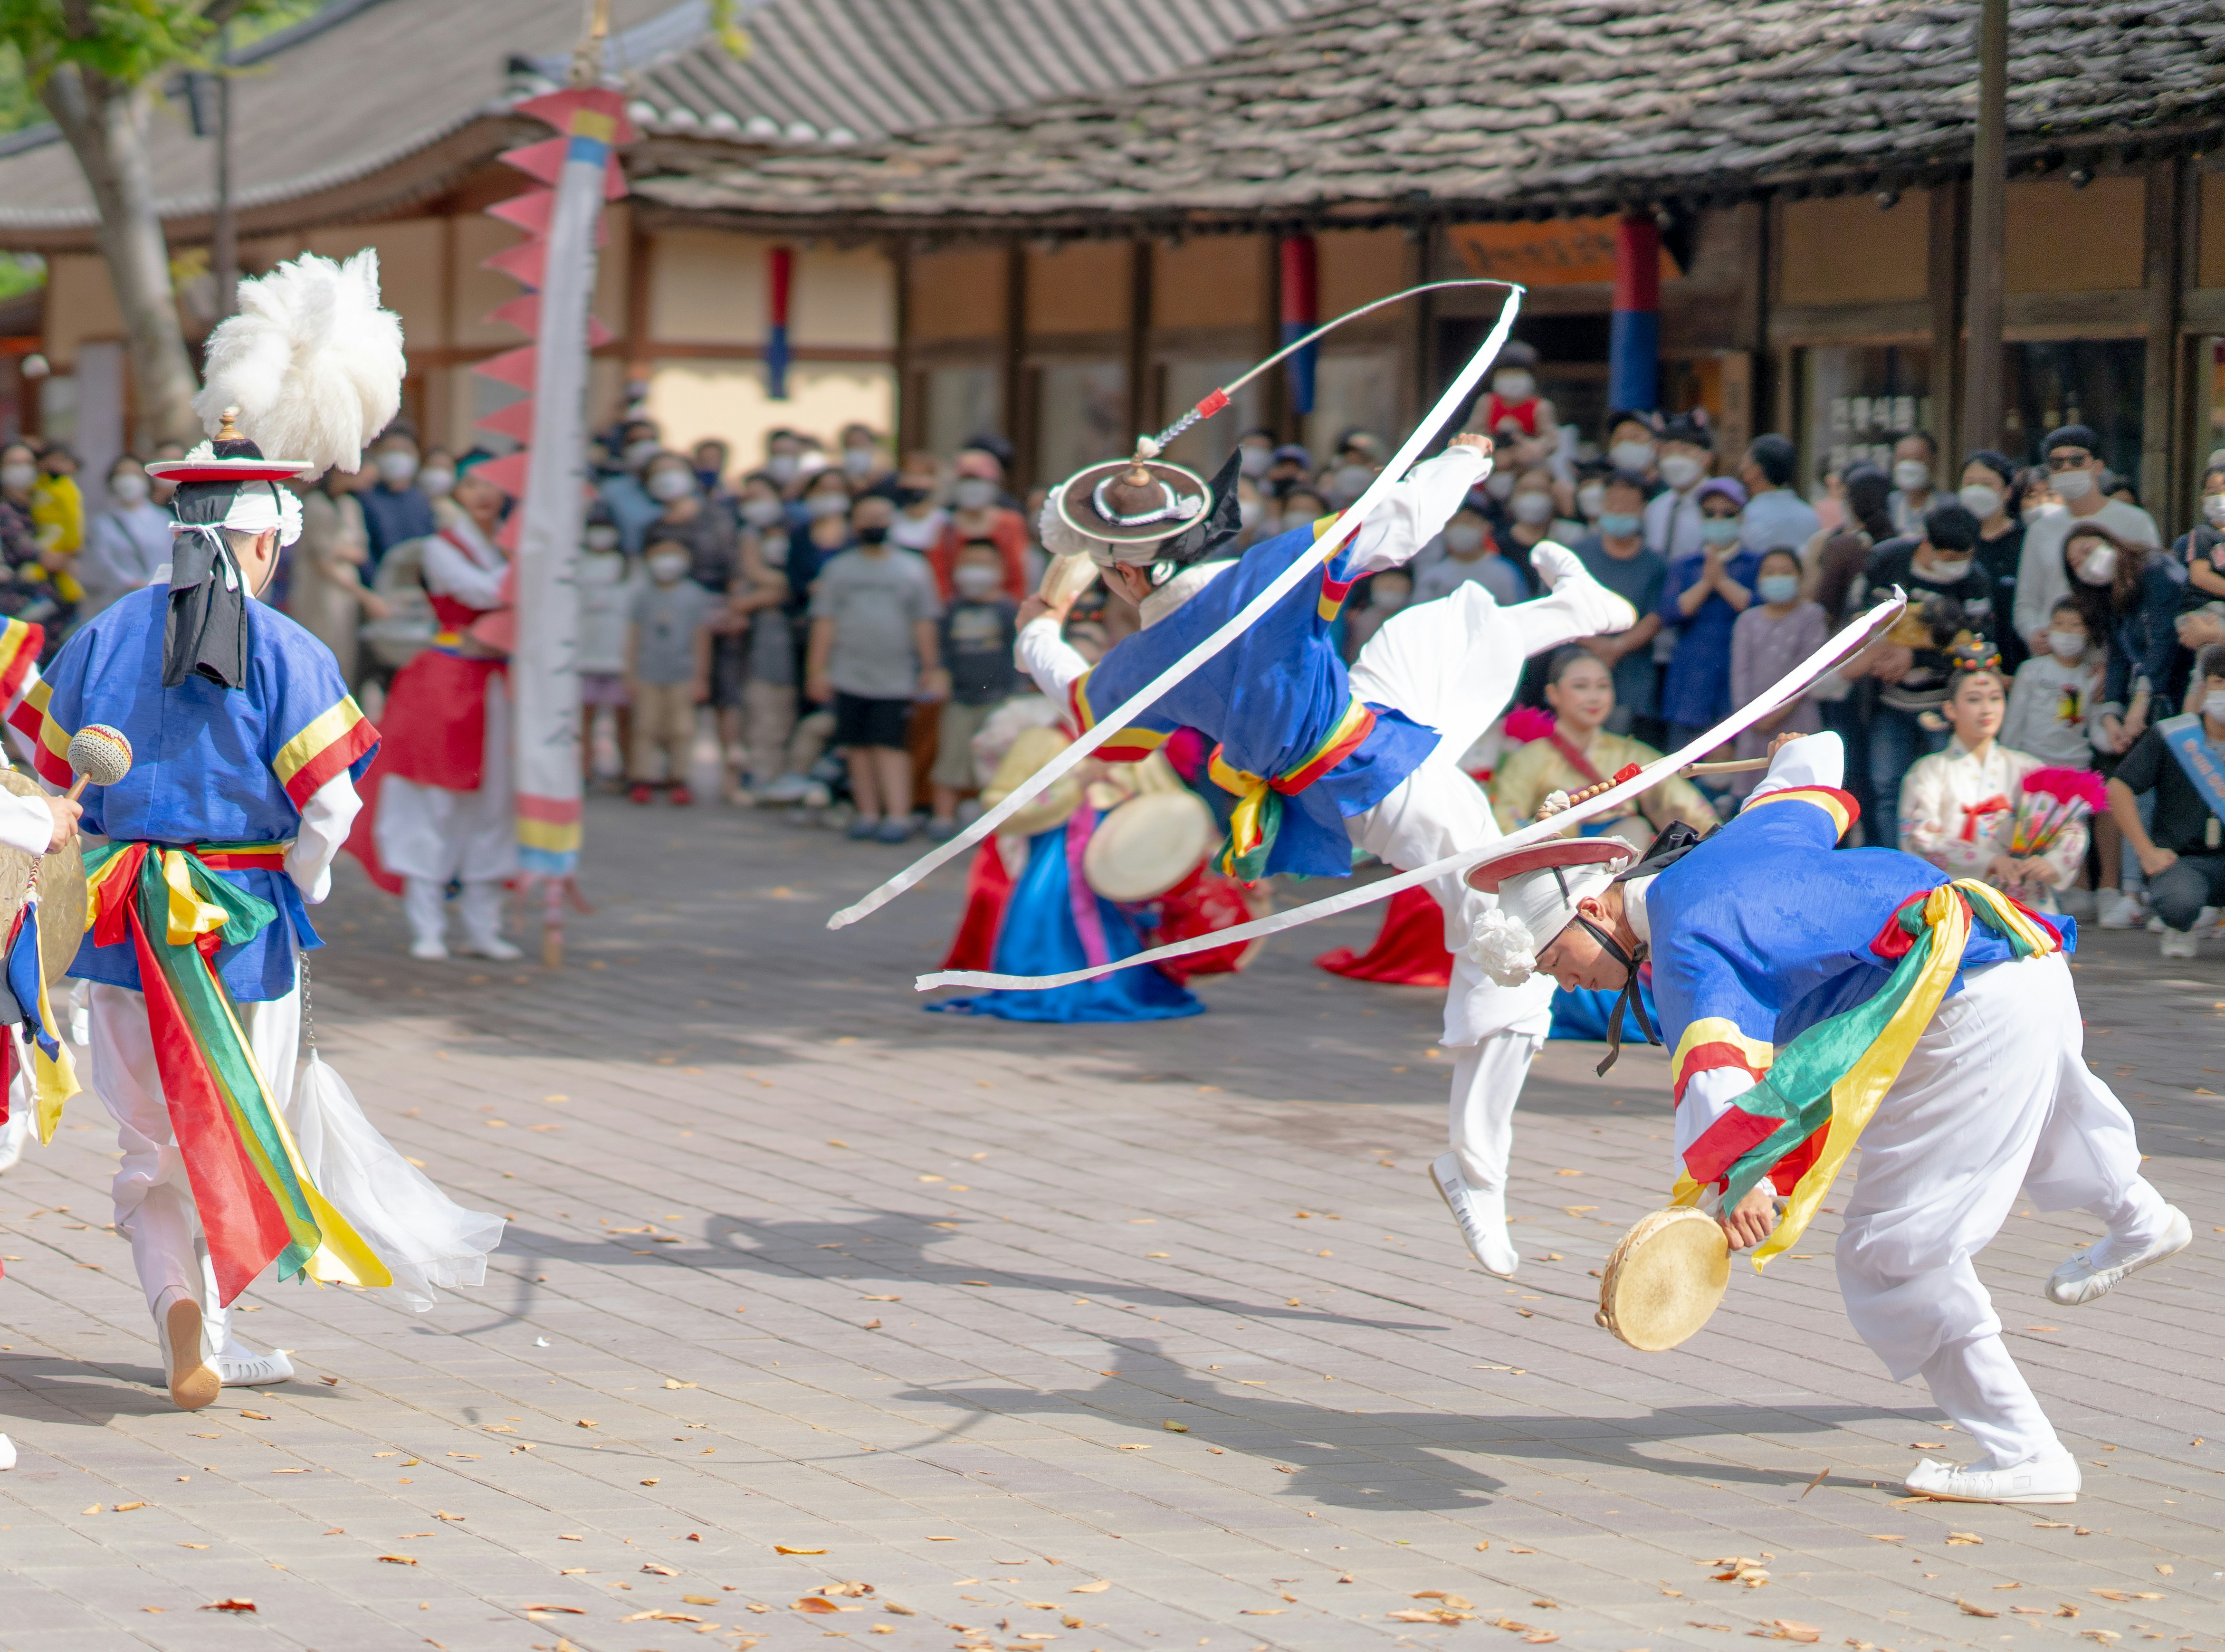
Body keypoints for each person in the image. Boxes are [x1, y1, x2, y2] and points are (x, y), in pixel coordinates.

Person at [1486, 731, 2186, 1505]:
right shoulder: (1741, 836)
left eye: (1558, 962)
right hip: (2018, 954)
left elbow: (1713, 1072)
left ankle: (2025, 1452)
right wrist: (1784, 745)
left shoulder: (1684, 937)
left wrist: (1740, 1179)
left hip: (1964, 1003)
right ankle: (2138, 1217)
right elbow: (1815, 757)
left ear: (1592, 907)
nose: (1572, 983)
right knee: (2048, 1106)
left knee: (1890, 1255)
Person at [42, 253, 500, 1409]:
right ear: (264, 538)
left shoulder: (96, 638)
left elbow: (55, 782)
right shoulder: (294, 651)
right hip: (244, 924)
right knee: (243, 1110)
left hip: (116, 921)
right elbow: (334, 803)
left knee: (152, 1133)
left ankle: (175, 1303)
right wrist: (301, 881)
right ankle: (223, 1314)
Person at [1014, 432, 1635, 1280]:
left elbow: (1071, 690)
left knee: (1429, 637)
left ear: (1123, 575)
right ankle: (1474, 1166)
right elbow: (1399, 520)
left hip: (1374, 727)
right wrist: (1463, 458)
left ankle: (1586, 613)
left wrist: (1039, 628)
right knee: (1512, 943)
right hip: (1381, 782)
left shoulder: (1139, 666)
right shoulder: (1264, 571)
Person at [927, 723, 1203, 1023]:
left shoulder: (1130, 740)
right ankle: (1042, 984)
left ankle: (1114, 985)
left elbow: (1174, 804)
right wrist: (1074, 786)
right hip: (1054, 859)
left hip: (1115, 859)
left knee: (1116, 924)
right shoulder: (1041, 740)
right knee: (1047, 917)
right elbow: (1000, 803)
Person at [367, 455, 521, 962]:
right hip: (445, 682)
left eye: (492, 486)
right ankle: (427, 926)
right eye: (473, 484)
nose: (482, 495)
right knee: (430, 800)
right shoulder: (440, 549)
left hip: (499, 683)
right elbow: (486, 592)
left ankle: (484, 925)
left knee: (497, 802)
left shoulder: (514, 549)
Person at [1900, 642, 2089, 912]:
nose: (1987, 709)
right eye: (1974, 699)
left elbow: (2071, 827)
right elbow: (1920, 838)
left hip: (2024, 900)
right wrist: (1988, 860)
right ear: (1950, 709)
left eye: (1995, 698)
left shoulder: (2030, 769)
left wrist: (2054, 862)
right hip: (1954, 904)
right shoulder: (1928, 771)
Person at [1853, 501, 2000, 849]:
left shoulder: (1975, 581)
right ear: (1926, 545)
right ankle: (1890, 859)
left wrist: (1916, 653)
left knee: (1947, 787)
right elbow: (1862, 625)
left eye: (1963, 558)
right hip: (1890, 700)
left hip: (1943, 703)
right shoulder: (1889, 564)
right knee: (1886, 784)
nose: (1957, 567)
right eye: (1949, 558)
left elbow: (1977, 645)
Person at [807, 494, 943, 843]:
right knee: (857, 745)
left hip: (896, 675)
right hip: (849, 671)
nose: (874, 524)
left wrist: (931, 666)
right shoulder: (839, 568)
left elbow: (924, 621)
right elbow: (825, 621)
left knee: (890, 745)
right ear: (854, 523)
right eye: (866, 517)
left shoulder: (913, 567)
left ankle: (898, 815)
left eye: (881, 516)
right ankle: (867, 813)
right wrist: (817, 669)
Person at [1491, 649, 1713, 846]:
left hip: (1621, 858)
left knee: (1635, 829)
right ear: (1553, 694)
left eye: (1603, 686)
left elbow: (1686, 808)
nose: (1594, 697)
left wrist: (1718, 838)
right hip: (1552, 861)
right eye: (1581, 686)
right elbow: (1506, 822)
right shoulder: (1529, 758)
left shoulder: (1631, 754)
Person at [2108, 643, 2225, 959]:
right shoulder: (2174, 736)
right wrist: (2145, 851)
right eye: (2219, 682)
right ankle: (2180, 925)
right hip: (2181, 860)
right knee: (2179, 900)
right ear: (2203, 688)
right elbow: (2118, 787)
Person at [2014, 425, 2160, 651]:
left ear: (2098, 467)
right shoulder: (2040, 531)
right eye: (2057, 463)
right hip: (2054, 658)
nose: (2067, 468)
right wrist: (2033, 632)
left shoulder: (2136, 522)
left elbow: (2151, 596)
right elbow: (2026, 603)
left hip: (2112, 654)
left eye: (2077, 460)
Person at [927, 540, 1021, 838]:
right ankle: (942, 818)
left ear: (999, 570)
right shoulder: (952, 608)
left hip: (1000, 699)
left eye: (983, 564)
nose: (975, 572)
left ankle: (994, 823)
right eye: (969, 564)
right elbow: (941, 649)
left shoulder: (1008, 610)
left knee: (996, 761)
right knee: (951, 758)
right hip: (960, 698)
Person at [1658, 478, 1758, 750]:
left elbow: (1762, 608)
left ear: (1742, 517)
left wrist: (1723, 582)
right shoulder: (1685, 566)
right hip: (1690, 681)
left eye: (1728, 514)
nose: (1718, 519)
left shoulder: (1756, 564)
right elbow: (1669, 613)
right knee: (1680, 767)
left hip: (1738, 678)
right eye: (1710, 513)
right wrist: (1706, 583)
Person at [1569, 470, 1666, 738]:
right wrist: (1596, 644)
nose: (1618, 510)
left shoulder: (1655, 564)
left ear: (1642, 509)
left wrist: (1618, 647)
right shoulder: (1578, 555)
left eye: (1626, 504)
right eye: (1612, 503)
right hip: (1580, 663)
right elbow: (1565, 607)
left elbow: (1656, 617)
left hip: (1632, 678)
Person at [1726, 547, 1828, 789]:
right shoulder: (1747, 621)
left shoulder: (1812, 616)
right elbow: (1739, 678)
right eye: (1770, 573)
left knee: (1800, 789)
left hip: (1799, 718)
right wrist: (1754, 717)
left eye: (1785, 572)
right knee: (1755, 795)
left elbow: (1809, 671)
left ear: (1800, 578)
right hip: (1753, 725)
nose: (1777, 578)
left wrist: (1773, 714)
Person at [625, 537, 714, 805]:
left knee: (682, 729)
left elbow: (702, 638)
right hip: (648, 671)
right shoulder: (642, 595)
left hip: (683, 673)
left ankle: (679, 778)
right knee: (645, 727)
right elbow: (633, 636)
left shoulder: (694, 596)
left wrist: (701, 676)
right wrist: (630, 673)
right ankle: (643, 778)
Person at [288, 463, 387, 683]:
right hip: (319, 593)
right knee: (317, 654)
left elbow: (360, 552)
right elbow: (321, 560)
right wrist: (365, 595)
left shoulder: (350, 505)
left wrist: (338, 551)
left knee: (345, 658)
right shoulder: (315, 504)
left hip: (346, 594)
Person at [2002, 598, 2103, 776]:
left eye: (2075, 625)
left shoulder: (2092, 678)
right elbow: (2013, 722)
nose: (2067, 631)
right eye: (2059, 624)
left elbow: (2096, 730)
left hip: (2075, 769)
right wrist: (2006, 765)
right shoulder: (2031, 670)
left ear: (2088, 632)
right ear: (2049, 628)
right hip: (2031, 765)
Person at [576, 504, 633, 785]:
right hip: (584, 654)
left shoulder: (628, 566)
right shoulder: (576, 563)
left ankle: (628, 770)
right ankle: (585, 770)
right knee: (585, 717)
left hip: (620, 655)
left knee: (624, 717)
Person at [1959, 450, 2027, 674]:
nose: (1977, 491)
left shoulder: (2026, 540)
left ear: (2007, 491)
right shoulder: (1956, 543)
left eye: (1986, 484)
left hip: (2017, 661)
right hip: (1965, 660)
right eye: (1970, 484)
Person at [930, 449, 1030, 601]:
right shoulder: (944, 525)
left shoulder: (1011, 523)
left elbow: (1018, 574)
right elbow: (939, 576)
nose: (972, 487)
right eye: (966, 481)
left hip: (1002, 610)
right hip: (957, 611)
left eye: (979, 481)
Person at [81, 455, 173, 618]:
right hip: (116, 605)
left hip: (158, 602)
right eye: (122, 475)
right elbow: (101, 561)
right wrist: (129, 583)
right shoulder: (102, 524)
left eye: (135, 474)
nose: (128, 480)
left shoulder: (164, 519)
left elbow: (170, 557)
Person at [355, 428, 437, 573]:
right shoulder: (364, 500)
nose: (398, 457)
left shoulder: (421, 500)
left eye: (404, 451)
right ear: (376, 455)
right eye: (390, 451)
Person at [1413, 506, 1523, 605]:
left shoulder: (1504, 573)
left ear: (1486, 528)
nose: (1461, 528)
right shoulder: (1433, 576)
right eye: (1455, 522)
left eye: (1468, 522)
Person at [1642, 413, 1714, 563]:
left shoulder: (1720, 505)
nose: (1675, 459)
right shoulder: (1655, 508)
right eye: (1668, 452)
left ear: (1707, 458)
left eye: (1685, 451)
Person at [1736, 434, 1821, 558]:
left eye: (1745, 461)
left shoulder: (1749, 515)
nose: (1741, 467)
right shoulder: (1811, 515)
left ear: (1756, 471)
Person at [1885, 429, 1941, 536]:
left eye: (1918, 459)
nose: (1909, 466)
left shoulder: (1948, 506)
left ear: (1933, 463)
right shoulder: (1887, 504)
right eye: (1903, 459)